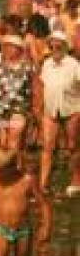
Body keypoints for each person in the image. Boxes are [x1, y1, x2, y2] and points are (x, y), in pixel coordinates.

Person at [36, 34, 80, 196]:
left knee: (72, 146)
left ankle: (76, 180)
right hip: (50, 110)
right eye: (52, 46)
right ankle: (43, 184)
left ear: (65, 47)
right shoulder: (47, 64)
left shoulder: (74, 64)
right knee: (47, 146)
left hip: (72, 109)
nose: (55, 49)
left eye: (58, 46)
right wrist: (39, 107)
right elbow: (42, 85)